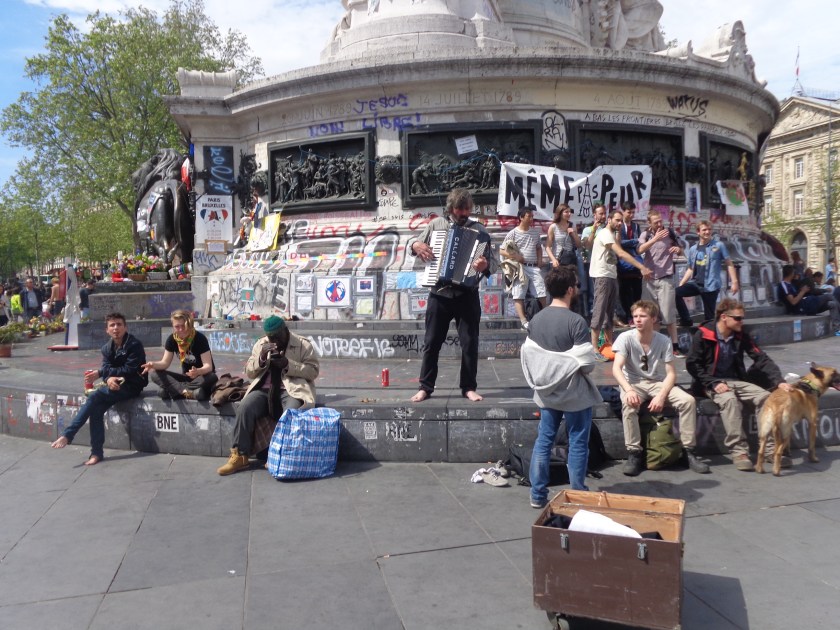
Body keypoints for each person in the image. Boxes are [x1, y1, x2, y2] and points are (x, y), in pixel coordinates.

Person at [520, 266, 601, 507]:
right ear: (569, 289)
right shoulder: (576, 322)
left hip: (545, 391)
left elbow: (531, 356)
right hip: (574, 393)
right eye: (575, 285)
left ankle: (537, 495)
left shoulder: (536, 320)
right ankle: (577, 494)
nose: (577, 289)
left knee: (544, 440)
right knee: (577, 442)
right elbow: (586, 365)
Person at [409, 188, 497, 402]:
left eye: (468, 208)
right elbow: (414, 245)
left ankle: (468, 387)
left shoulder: (479, 231)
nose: (465, 213)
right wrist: (416, 244)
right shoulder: (436, 225)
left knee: (470, 342)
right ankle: (425, 387)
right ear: (451, 209)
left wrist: (485, 265)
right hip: (438, 293)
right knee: (431, 342)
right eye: (460, 209)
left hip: (467, 294)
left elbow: (493, 264)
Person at [685, 298, 792, 472]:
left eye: (742, 318)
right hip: (710, 382)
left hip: (736, 380)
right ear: (724, 317)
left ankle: (769, 449)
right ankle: (739, 451)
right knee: (729, 401)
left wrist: (779, 381)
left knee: (766, 398)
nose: (741, 321)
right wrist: (712, 383)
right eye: (738, 318)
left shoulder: (741, 335)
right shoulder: (703, 334)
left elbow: (761, 358)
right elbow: (692, 364)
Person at [612, 300, 709, 476]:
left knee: (688, 401)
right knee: (629, 404)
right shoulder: (625, 338)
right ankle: (634, 452)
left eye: (642, 316)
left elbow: (671, 373)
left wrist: (662, 396)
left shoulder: (663, 340)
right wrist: (629, 390)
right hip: (633, 383)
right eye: (635, 317)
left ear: (654, 318)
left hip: (657, 383)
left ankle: (689, 451)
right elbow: (616, 368)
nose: (638, 320)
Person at [217, 315, 319, 475]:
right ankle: (239, 455)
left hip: (290, 389)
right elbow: (249, 372)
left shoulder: (302, 344)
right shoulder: (261, 344)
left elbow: (313, 371)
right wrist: (261, 359)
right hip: (263, 390)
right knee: (245, 407)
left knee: (290, 413)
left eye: (278, 337)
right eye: (271, 338)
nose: (275, 342)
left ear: (285, 331)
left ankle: (279, 456)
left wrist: (288, 364)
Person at [50, 313, 148, 465]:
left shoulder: (134, 345)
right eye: (112, 325)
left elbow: (129, 369)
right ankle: (96, 453)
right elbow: (107, 368)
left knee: (94, 396)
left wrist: (103, 374)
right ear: (107, 330)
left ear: (125, 327)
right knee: (95, 410)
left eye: (119, 324)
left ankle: (68, 435)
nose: (116, 328)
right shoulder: (107, 348)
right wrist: (108, 378)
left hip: (132, 385)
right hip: (114, 386)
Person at [589, 209, 653, 360]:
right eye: (616, 220)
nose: (619, 223)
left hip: (611, 275)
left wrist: (617, 232)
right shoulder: (604, 233)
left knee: (609, 313)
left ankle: (608, 345)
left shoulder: (611, 234)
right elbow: (621, 253)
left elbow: (618, 246)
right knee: (599, 311)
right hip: (602, 276)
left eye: (620, 221)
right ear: (609, 220)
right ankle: (594, 348)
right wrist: (641, 267)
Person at [142, 310, 219, 400]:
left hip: (201, 377)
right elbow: (165, 363)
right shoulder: (172, 339)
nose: (181, 329)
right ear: (173, 326)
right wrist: (153, 365)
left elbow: (208, 366)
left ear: (189, 324)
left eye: (183, 326)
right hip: (185, 377)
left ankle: (174, 390)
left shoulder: (199, 339)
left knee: (212, 377)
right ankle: (189, 393)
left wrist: (198, 371)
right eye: (177, 326)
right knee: (155, 374)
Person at [637, 209, 684, 357]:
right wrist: (655, 239)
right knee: (652, 315)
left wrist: (678, 250)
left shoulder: (670, 233)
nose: (659, 224)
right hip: (649, 279)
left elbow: (681, 250)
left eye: (660, 221)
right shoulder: (646, 235)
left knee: (669, 315)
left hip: (666, 278)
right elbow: (639, 250)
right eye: (656, 221)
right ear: (649, 223)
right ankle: (655, 346)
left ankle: (675, 346)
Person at [676, 221, 739, 325]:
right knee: (676, 293)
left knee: (709, 318)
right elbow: (691, 268)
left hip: (711, 285)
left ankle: (709, 334)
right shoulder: (693, 249)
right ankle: (686, 319)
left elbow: (729, 263)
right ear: (698, 232)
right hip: (696, 283)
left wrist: (735, 282)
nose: (707, 232)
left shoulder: (718, 245)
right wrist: (682, 283)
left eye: (709, 229)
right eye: (704, 229)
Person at [500, 207, 547, 329]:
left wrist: (540, 260)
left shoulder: (535, 232)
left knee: (541, 292)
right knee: (519, 294)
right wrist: (515, 256)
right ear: (521, 217)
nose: (531, 218)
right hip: (520, 268)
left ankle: (545, 316)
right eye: (528, 216)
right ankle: (523, 320)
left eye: (532, 216)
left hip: (533, 266)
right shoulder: (513, 233)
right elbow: (501, 250)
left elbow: (538, 247)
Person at [778, 264, 840, 334]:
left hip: (809, 305)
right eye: (794, 272)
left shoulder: (792, 283)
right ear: (791, 273)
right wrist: (802, 291)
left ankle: (837, 330)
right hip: (803, 307)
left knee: (833, 304)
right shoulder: (784, 285)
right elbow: (793, 302)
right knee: (828, 296)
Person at [616, 201, 643, 326]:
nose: (631, 215)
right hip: (623, 263)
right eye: (629, 212)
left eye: (633, 212)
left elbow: (639, 243)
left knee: (637, 292)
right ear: (623, 211)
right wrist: (634, 241)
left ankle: (637, 315)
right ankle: (628, 316)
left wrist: (634, 242)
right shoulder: (619, 226)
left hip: (636, 263)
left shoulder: (636, 226)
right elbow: (619, 243)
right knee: (625, 293)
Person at [580, 204, 608, 317]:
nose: (603, 216)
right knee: (594, 291)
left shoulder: (608, 228)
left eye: (604, 213)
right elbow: (586, 246)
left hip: (606, 264)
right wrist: (594, 230)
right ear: (594, 215)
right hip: (593, 264)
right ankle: (593, 314)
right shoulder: (588, 229)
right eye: (600, 213)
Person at [545, 203, 581, 273]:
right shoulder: (553, 227)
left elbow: (579, 245)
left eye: (570, 212)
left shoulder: (572, 225)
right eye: (566, 212)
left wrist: (574, 234)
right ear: (560, 213)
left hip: (570, 261)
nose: (569, 214)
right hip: (558, 261)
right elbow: (547, 246)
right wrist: (553, 260)